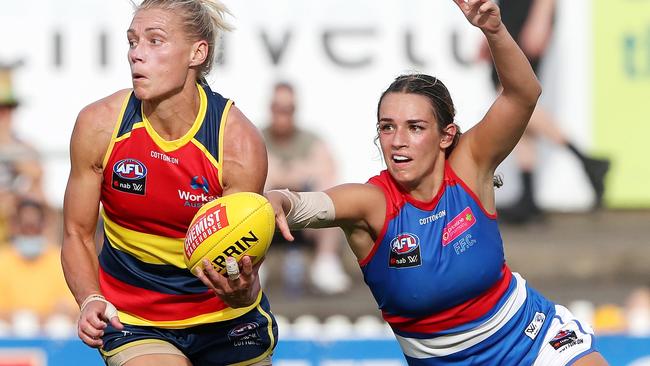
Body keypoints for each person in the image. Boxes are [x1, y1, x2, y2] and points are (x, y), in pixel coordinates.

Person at [266, 0, 608, 364]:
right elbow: (306, 205)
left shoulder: (470, 166)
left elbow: (523, 95)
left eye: (415, 128)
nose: (397, 140)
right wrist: (278, 200)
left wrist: (493, 30)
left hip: (529, 336)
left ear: (446, 136)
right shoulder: (373, 203)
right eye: (387, 127)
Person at [61, 1, 277, 365]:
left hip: (224, 319)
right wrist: (90, 298)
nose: (136, 55)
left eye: (155, 41)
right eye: (132, 42)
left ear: (197, 52)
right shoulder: (99, 126)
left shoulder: (236, 143)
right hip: (133, 318)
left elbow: (240, 264)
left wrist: (241, 291)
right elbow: (76, 234)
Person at [480, 0, 610, 224]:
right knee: (514, 102)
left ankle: (586, 161)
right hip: (510, 11)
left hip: (527, 10)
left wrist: (541, 16)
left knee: (515, 93)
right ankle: (530, 197)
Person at [262, 82, 350, 295]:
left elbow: (328, 172)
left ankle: (325, 262)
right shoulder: (256, 137)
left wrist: (282, 176)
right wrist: (299, 172)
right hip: (267, 216)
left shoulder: (312, 140)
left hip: (305, 215)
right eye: (277, 108)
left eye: (288, 109)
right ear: (270, 108)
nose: (282, 114)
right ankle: (256, 265)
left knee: (329, 194)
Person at [0, 199, 77, 327]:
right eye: (25, 227)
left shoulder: (60, 259)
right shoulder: (3, 259)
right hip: (11, 327)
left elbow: (71, 307)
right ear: (15, 227)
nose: (30, 233)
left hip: (48, 326)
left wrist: (42, 317)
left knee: (60, 325)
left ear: (43, 226)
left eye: (34, 227)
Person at [0, 63, 44, 244]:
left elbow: (37, 177)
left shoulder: (23, 145)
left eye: (9, 108)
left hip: (12, 230)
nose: (6, 115)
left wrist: (6, 142)